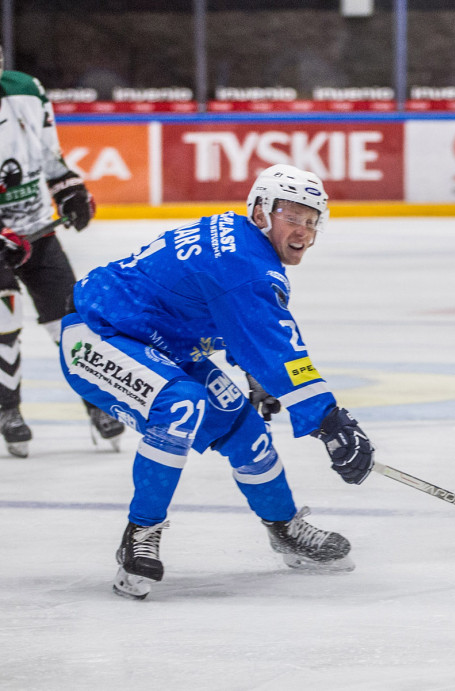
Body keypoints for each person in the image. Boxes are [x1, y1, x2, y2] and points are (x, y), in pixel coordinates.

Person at [58, 164, 376, 599]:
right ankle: (141, 533)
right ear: (261, 212)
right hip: (97, 335)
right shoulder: (247, 265)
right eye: (292, 217)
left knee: (246, 431)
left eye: (310, 220)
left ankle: (284, 528)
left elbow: (233, 320)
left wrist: (256, 375)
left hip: (159, 345)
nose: (303, 230)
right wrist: (329, 420)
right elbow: (276, 346)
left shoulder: (241, 242)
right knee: (180, 404)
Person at [0, 46, 125, 457]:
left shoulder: (25, 90)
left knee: (71, 318)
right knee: (4, 315)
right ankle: (8, 409)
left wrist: (69, 188)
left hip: (36, 230)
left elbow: (49, 157)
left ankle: (97, 402)